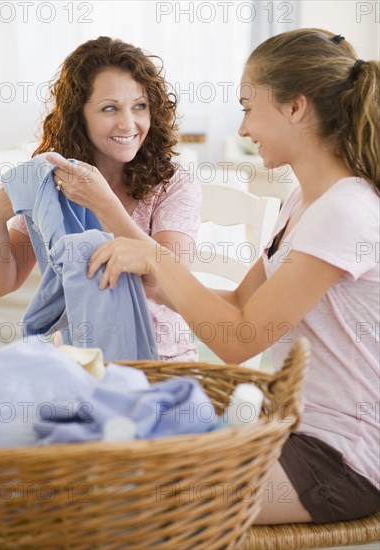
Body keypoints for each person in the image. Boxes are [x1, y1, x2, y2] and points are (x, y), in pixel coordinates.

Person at [88, 29, 380, 524]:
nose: (243, 128)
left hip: (343, 461)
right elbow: (242, 301)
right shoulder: (304, 201)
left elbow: (240, 338)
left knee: (126, 500)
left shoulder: (345, 211)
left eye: (248, 107)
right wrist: (156, 287)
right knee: (104, 461)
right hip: (290, 430)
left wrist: (158, 260)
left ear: (295, 108)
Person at [0, 37, 201, 362]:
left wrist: (102, 203)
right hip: (79, 364)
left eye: (139, 106)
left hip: (161, 366)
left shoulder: (174, 182)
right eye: (110, 108)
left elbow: (162, 282)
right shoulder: (53, 182)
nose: (128, 123)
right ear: (78, 114)